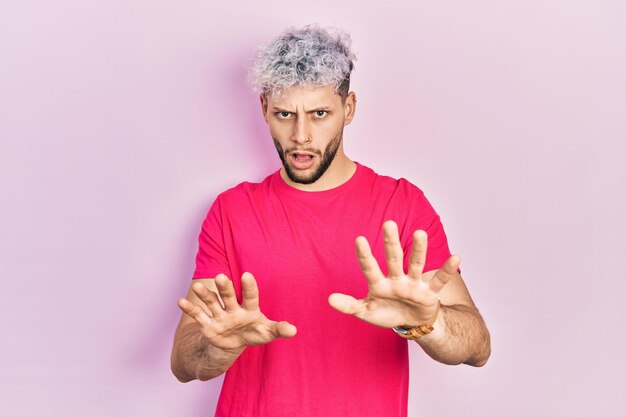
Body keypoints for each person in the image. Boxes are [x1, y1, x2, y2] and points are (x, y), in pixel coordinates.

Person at [170, 24, 490, 417]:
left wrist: (429, 323)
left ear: (348, 108)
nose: (301, 135)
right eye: (285, 114)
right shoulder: (231, 210)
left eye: (319, 113)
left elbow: (477, 348)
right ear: (264, 109)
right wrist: (219, 347)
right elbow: (184, 363)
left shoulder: (402, 203)